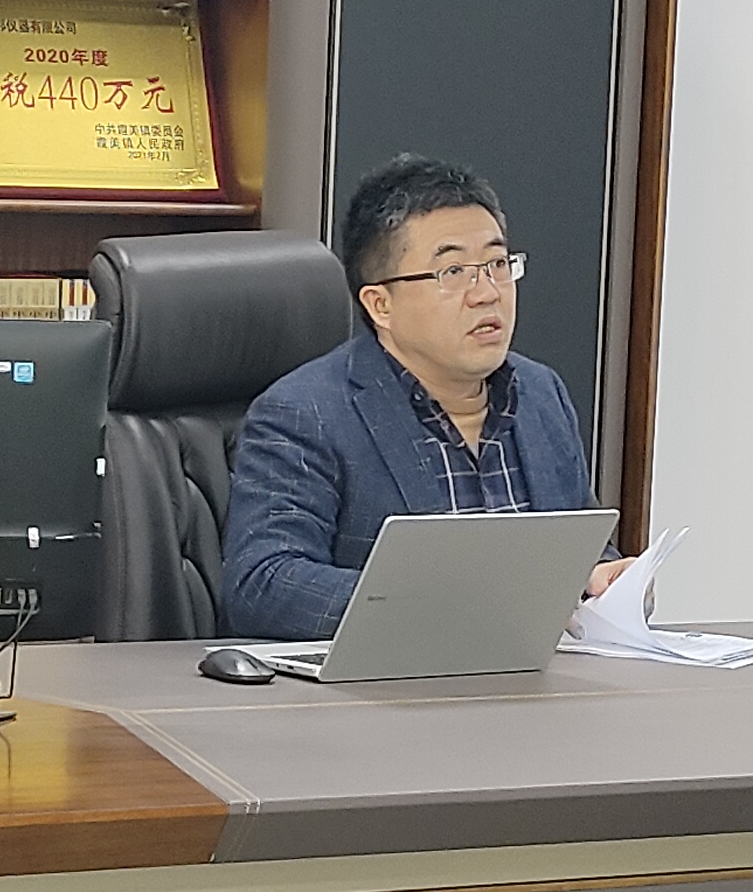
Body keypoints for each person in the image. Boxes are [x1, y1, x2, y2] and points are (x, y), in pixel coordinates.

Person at [218, 155, 630, 640]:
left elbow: (580, 548)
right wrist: (451, 608)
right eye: (453, 271)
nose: (487, 293)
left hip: (537, 679)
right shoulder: (306, 414)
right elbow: (264, 585)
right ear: (381, 305)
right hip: (394, 682)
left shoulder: (541, 395)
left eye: (497, 265)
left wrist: (602, 579)